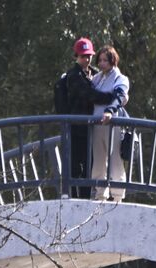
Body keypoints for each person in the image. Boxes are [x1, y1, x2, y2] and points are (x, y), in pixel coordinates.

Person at [60, 38, 118, 200]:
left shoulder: (94, 73)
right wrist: (113, 97)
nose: (86, 59)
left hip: (89, 128)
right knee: (76, 165)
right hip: (76, 128)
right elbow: (89, 95)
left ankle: (85, 198)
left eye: (88, 56)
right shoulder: (73, 76)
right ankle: (73, 198)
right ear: (76, 56)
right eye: (82, 56)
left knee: (89, 164)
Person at [89, 45, 130, 201]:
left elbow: (119, 96)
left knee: (115, 160)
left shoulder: (120, 78)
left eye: (105, 60)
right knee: (98, 160)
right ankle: (100, 194)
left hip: (113, 125)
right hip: (97, 125)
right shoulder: (97, 78)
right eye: (99, 60)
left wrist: (110, 110)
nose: (101, 63)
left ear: (113, 61)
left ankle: (118, 196)